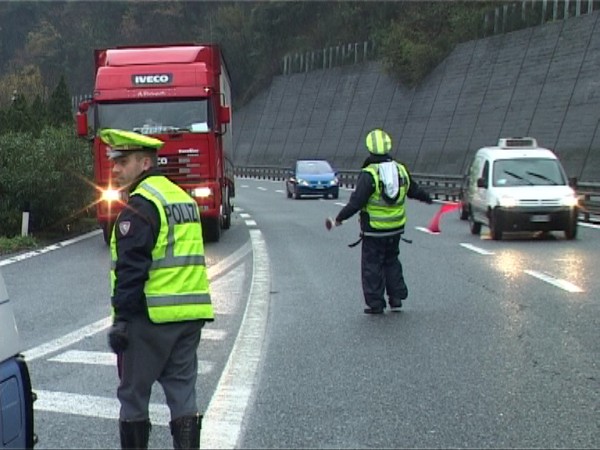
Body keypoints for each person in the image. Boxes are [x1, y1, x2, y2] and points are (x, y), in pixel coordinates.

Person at [99, 128, 214, 449]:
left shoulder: (141, 206)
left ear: (145, 163)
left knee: (133, 396)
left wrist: (122, 320)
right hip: (189, 317)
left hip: (149, 319)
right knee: (183, 395)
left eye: (123, 162)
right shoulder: (181, 198)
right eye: (114, 162)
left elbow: (131, 269)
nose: (115, 169)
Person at [333, 128, 433, 315]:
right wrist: (428, 199)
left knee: (372, 265)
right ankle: (396, 298)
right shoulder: (400, 170)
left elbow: (356, 202)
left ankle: (376, 304)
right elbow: (414, 191)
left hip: (374, 230)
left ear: (369, 148)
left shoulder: (369, 174)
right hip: (395, 228)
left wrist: (340, 218)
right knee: (391, 260)